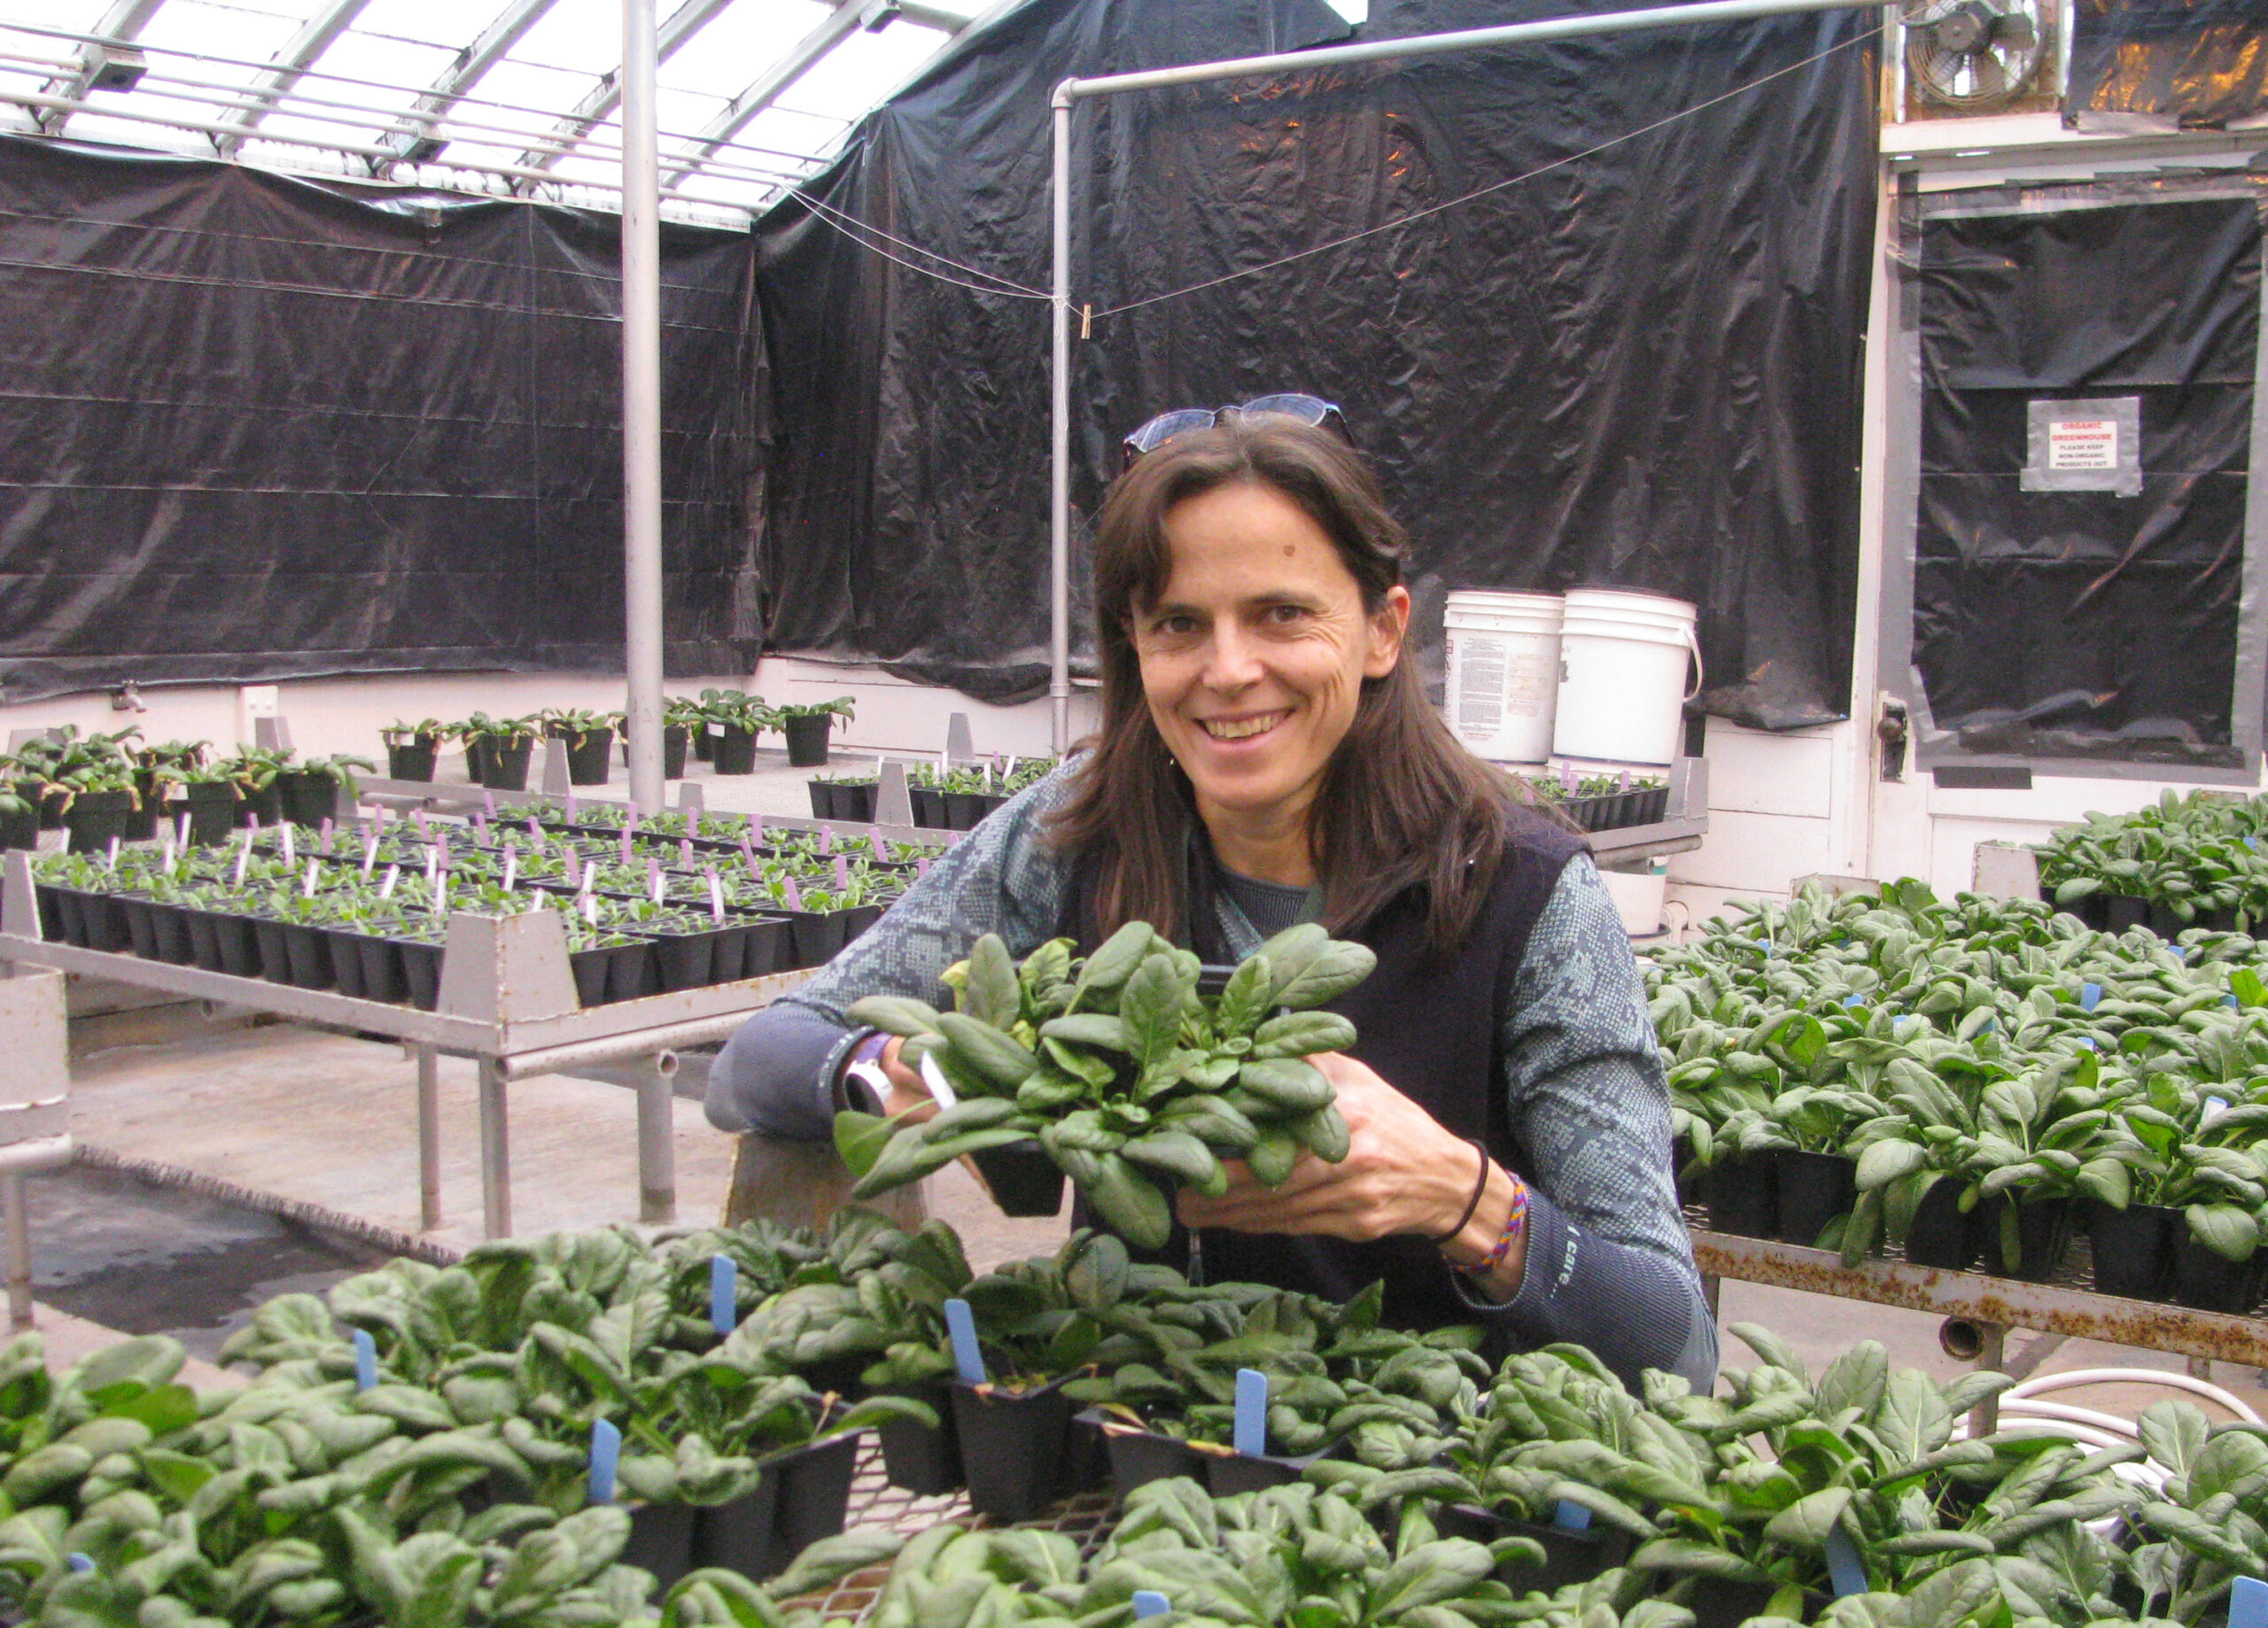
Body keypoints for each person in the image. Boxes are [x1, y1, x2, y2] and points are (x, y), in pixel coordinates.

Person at [705, 399, 1714, 1389]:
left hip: (1420, 1459)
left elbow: (1673, 1342)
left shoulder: (1524, 891)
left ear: (1382, 630)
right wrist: (888, 1073)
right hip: (1138, 1434)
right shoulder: (1075, 830)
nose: (1228, 671)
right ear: (1135, 647)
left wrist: (1467, 1200)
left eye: (1282, 614)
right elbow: (756, 1062)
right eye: (1180, 624)